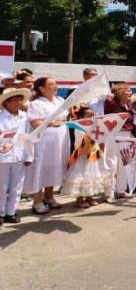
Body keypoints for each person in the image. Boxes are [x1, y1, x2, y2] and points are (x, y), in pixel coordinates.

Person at [24, 77, 68, 214]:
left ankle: (49, 197)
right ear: (41, 88)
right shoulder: (36, 104)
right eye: (51, 84)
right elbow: (34, 123)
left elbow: (66, 117)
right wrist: (49, 123)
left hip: (60, 139)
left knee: (55, 167)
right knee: (41, 168)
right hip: (44, 141)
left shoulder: (60, 101)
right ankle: (37, 202)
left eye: (56, 83)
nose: (55, 86)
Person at [0, 88, 33, 224]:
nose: (18, 102)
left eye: (19, 99)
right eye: (14, 99)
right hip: (2, 157)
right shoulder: (0, 117)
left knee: (17, 186)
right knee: (1, 186)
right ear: (6, 102)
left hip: (19, 156)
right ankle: (0, 213)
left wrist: (29, 156)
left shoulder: (24, 117)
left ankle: (11, 212)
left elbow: (28, 137)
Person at [62, 106, 104, 208]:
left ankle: (90, 196)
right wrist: (88, 140)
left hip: (91, 156)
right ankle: (80, 198)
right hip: (81, 156)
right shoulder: (78, 127)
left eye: (93, 116)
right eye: (89, 116)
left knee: (91, 175)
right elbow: (79, 142)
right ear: (81, 117)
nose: (92, 118)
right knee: (81, 176)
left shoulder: (95, 126)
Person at [103, 84, 136, 201]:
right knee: (111, 165)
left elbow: (132, 124)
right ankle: (108, 193)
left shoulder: (129, 105)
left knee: (124, 164)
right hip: (113, 135)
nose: (130, 92)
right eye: (128, 90)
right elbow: (107, 114)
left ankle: (120, 190)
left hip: (127, 136)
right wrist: (111, 97)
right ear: (120, 92)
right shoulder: (111, 103)